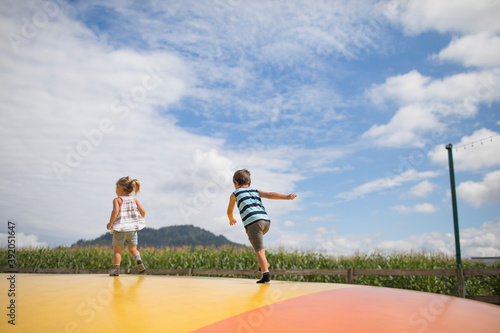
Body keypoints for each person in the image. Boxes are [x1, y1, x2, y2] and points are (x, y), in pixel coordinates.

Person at [227, 169, 297, 283]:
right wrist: (286, 196)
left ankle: (265, 276)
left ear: (235, 183)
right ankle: (264, 264)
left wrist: (231, 218)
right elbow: (270, 194)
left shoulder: (235, 194)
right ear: (249, 183)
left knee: (258, 250)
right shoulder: (255, 190)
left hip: (253, 223)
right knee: (258, 246)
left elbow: (230, 210)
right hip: (266, 221)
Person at [107, 176, 146, 276]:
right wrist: (138, 218)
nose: (116, 190)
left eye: (116, 188)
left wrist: (110, 224)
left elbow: (115, 211)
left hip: (120, 229)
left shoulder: (117, 200)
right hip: (132, 230)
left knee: (117, 251)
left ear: (120, 188)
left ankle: (116, 271)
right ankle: (138, 259)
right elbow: (143, 211)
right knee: (133, 249)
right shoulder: (134, 199)